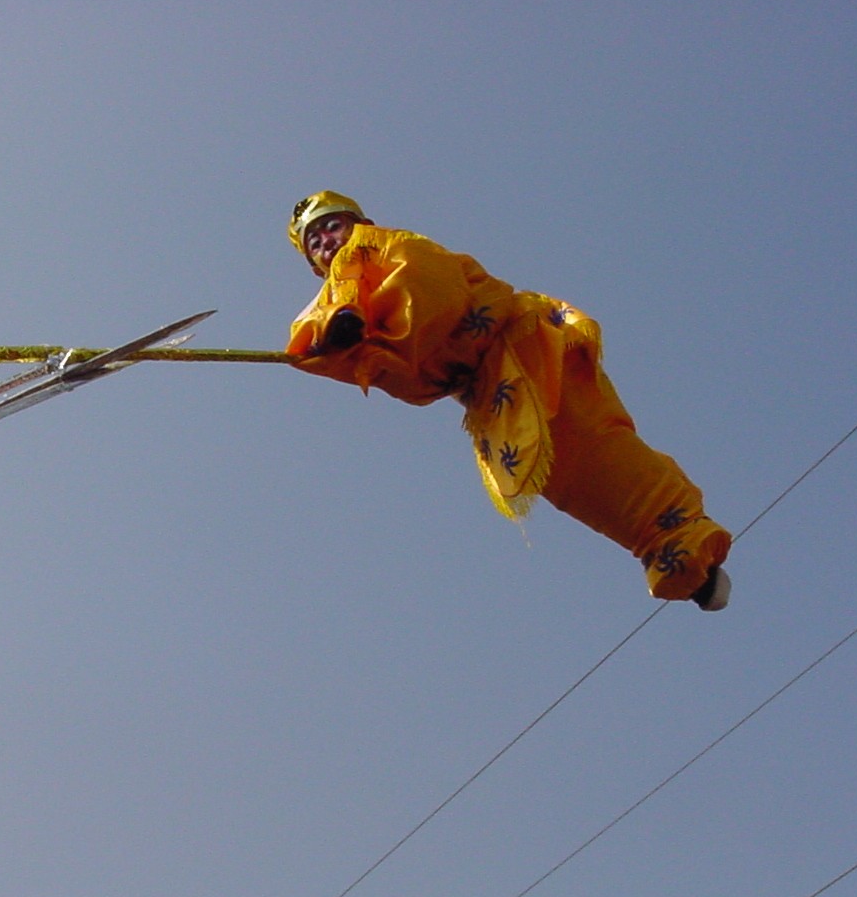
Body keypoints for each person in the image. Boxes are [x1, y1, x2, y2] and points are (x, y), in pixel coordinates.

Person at [285, 191, 732, 608]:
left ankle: (682, 530)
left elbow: (431, 288)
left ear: (360, 223)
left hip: (518, 345)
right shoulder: (335, 295)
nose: (326, 241)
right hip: (485, 390)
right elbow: (344, 354)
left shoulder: (384, 247)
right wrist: (331, 341)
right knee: (562, 478)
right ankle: (663, 549)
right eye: (314, 242)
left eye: (332, 226)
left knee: (590, 438)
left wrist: (362, 331)